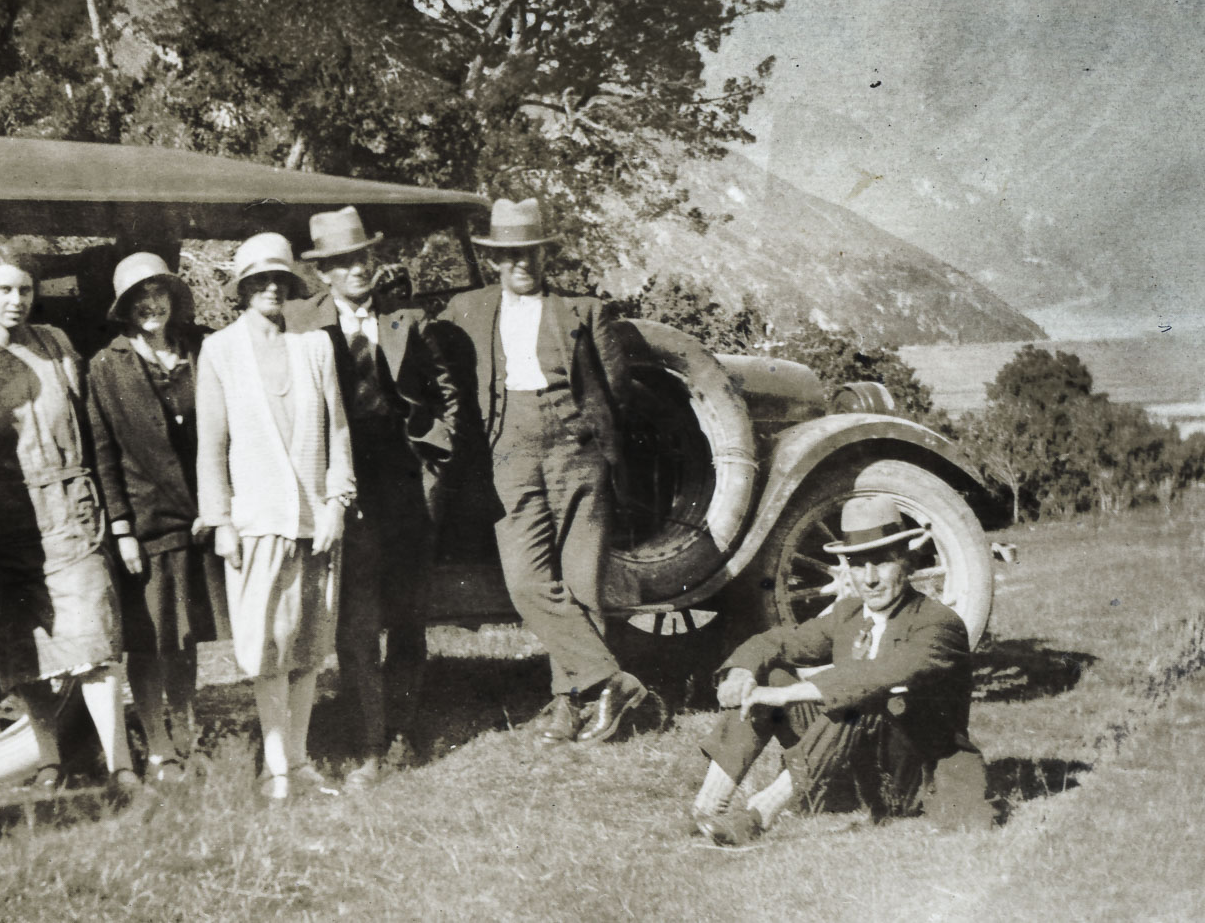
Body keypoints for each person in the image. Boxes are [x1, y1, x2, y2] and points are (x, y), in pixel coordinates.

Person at [440, 198, 646, 746]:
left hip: (578, 455)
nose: (520, 263)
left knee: (581, 584)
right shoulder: (466, 309)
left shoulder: (583, 311)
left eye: (529, 252)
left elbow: (616, 392)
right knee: (527, 582)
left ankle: (569, 706)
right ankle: (613, 680)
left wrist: (591, 440)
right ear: (493, 260)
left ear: (543, 255)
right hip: (505, 455)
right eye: (509, 255)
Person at [689, 496, 995, 845]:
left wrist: (786, 694)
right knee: (767, 675)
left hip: (910, 776)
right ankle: (707, 809)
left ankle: (758, 814)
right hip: (848, 767)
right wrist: (742, 672)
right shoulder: (848, 615)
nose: (870, 578)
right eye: (858, 564)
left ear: (907, 561)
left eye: (882, 562)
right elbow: (776, 641)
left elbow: (878, 676)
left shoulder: (938, 623)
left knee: (859, 700)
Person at [0, 245, 136, 791]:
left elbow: (88, 422)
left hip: (72, 511)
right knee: (26, 649)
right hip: (10, 522)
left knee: (94, 640)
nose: (16, 300)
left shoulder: (54, 344)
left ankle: (120, 764)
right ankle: (49, 759)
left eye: (25, 289)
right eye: (4, 289)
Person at [286, 207, 463, 788]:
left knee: (409, 616)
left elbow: (446, 395)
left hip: (405, 486)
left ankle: (403, 731)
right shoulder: (299, 323)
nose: (357, 269)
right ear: (323, 274)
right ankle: (369, 741)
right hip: (343, 489)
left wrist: (437, 461)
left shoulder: (406, 319)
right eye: (342, 263)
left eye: (362, 257)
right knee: (357, 622)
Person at [197, 233, 355, 801]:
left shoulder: (314, 347)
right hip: (257, 520)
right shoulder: (219, 351)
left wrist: (337, 502)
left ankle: (300, 759)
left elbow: (338, 431)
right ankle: (274, 769)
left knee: (308, 644)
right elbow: (211, 446)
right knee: (269, 647)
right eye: (258, 280)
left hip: (315, 519)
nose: (270, 288)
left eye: (279, 279)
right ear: (242, 289)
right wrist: (220, 520)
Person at [87, 252, 224, 783]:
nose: (151, 305)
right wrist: (121, 527)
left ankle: (188, 738)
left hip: (195, 518)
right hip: (144, 525)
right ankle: (159, 749)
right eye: (138, 298)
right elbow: (103, 452)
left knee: (183, 638)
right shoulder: (106, 366)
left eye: (158, 293)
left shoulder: (198, 351)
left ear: (173, 298)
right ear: (124, 308)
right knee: (147, 640)